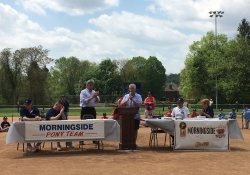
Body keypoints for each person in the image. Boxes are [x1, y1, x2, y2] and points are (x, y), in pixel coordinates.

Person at [120, 83, 142, 148]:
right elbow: (121, 105)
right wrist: (127, 100)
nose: (131, 90)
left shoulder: (138, 96)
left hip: (135, 116)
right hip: (126, 117)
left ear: (135, 89)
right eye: (130, 88)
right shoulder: (126, 96)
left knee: (135, 129)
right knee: (126, 129)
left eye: (132, 88)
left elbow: (139, 105)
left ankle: (133, 143)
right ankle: (126, 143)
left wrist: (132, 100)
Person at [79, 79, 100, 145]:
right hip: (85, 109)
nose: (91, 86)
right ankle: (81, 140)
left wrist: (96, 97)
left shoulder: (94, 92)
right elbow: (84, 101)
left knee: (93, 124)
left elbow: (98, 101)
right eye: (90, 85)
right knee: (83, 124)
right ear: (87, 85)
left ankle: (94, 139)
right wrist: (92, 97)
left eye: (92, 85)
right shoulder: (83, 92)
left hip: (92, 109)